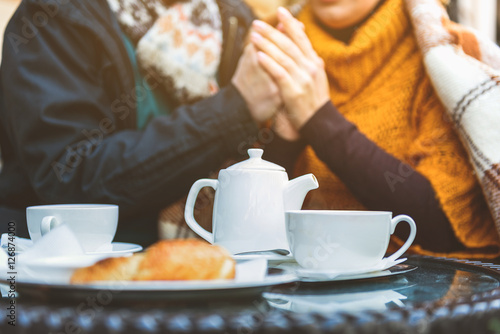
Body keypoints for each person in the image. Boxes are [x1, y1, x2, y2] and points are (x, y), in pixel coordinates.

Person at [0, 0, 281, 245]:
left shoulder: (233, 17)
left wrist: (288, 131)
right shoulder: (53, 15)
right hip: (72, 274)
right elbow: (70, 178)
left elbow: (250, 177)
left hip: (208, 271)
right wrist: (234, 109)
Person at [247, 0, 500, 258]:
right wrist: (283, 139)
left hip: (418, 289)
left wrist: (319, 121)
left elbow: (449, 224)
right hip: (295, 285)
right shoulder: (270, 47)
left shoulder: (448, 57)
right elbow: (244, 229)